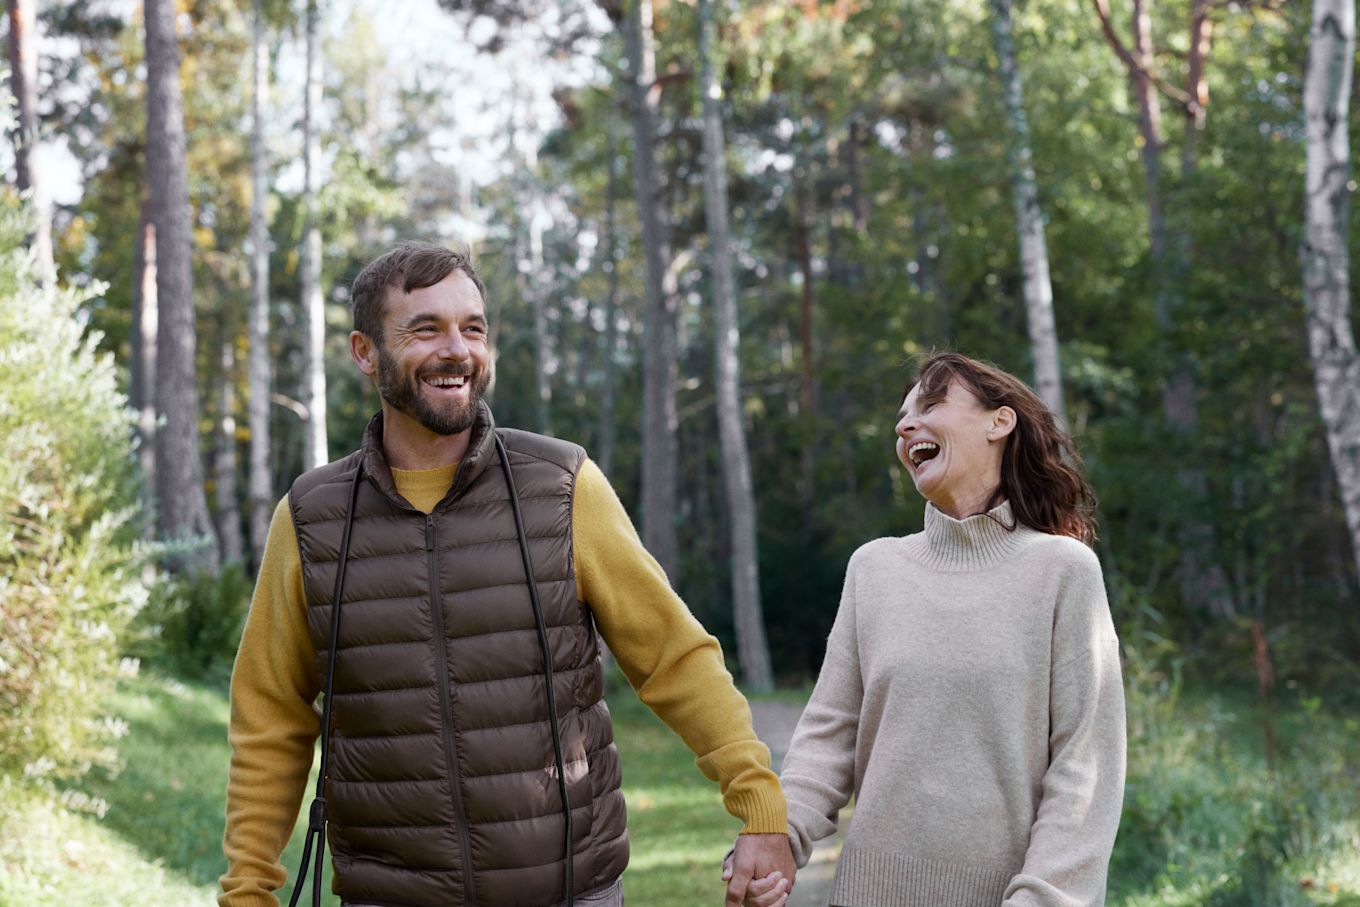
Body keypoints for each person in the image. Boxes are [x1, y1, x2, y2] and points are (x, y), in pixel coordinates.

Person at [219, 241, 795, 907]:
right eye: (425, 328)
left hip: (569, 893)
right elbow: (270, 717)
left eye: (473, 327)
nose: (457, 350)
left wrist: (758, 803)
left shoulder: (561, 485)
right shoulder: (312, 518)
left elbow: (674, 654)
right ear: (364, 351)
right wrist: (247, 889)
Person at [726, 352, 1126, 907]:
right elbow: (827, 736)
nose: (904, 425)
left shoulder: (1062, 570)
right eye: (902, 415)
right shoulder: (874, 568)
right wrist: (777, 832)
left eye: (930, 404)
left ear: (998, 422)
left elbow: (1085, 767)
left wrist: (1045, 899)